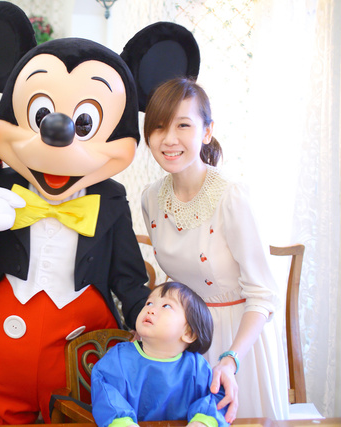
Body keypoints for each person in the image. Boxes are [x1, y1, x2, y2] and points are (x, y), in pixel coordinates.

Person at [140, 77, 289, 421]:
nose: (169, 139)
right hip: (185, 340)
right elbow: (176, 278)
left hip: (239, 343)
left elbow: (263, 295)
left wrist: (231, 359)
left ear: (206, 132)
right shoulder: (151, 197)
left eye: (183, 125)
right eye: (159, 126)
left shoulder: (232, 197)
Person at [91, 282, 228, 427]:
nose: (151, 310)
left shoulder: (197, 367)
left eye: (166, 306)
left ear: (188, 333)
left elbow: (215, 398)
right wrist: (123, 423)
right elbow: (106, 393)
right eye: (149, 303)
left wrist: (201, 422)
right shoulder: (118, 358)